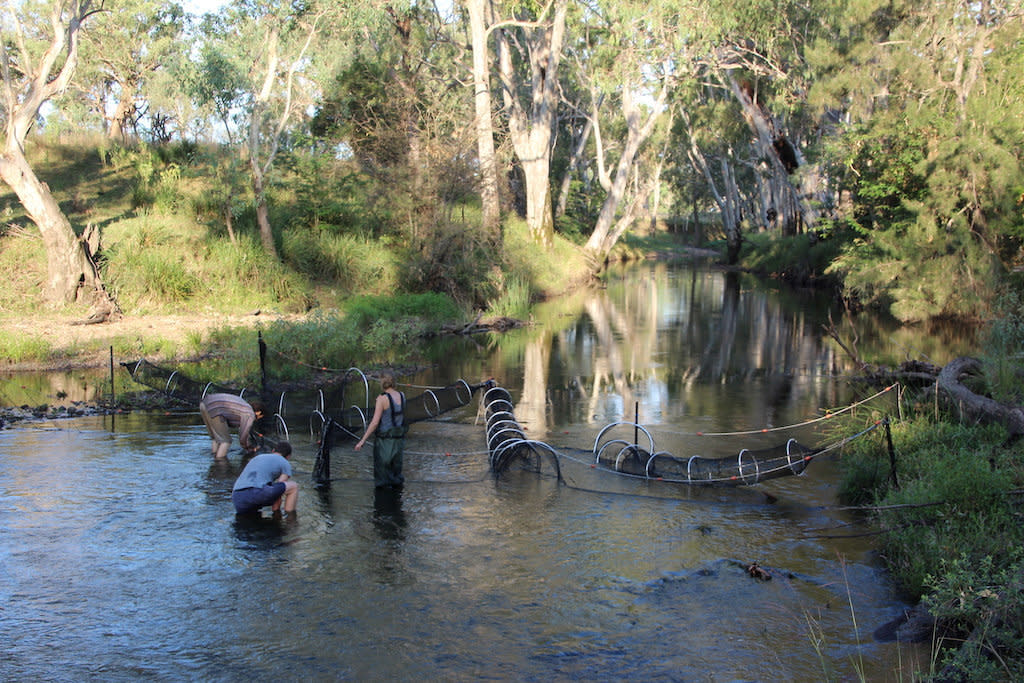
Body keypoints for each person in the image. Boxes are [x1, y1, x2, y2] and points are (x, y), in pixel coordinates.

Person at [354, 372, 407, 488]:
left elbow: (374, 423)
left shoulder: (382, 399)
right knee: (396, 475)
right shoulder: (402, 396)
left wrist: (362, 441)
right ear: (394, 383)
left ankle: (383, 503)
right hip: (399, 443)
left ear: (382, 383)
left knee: (383, 477)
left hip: (384, 443)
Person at [231, 441, 298, 515]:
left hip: (237, 498)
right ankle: (290, 519)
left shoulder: (258, 457)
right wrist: (277, 514)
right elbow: (279, 493)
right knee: (293, 486)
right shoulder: (285, 462)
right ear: (288, 456)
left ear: (273, 451)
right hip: (256, 493)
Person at [200, 393, 264, 459]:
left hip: (204, 403)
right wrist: (249, 448)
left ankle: (213, 458)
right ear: (259, 412)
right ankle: (219, 463)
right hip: (215, 407)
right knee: (226, 441)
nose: (257, 419)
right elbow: (243, 436)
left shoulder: (243, 406)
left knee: (216, 438)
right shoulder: (250, 413)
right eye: (260, 417)